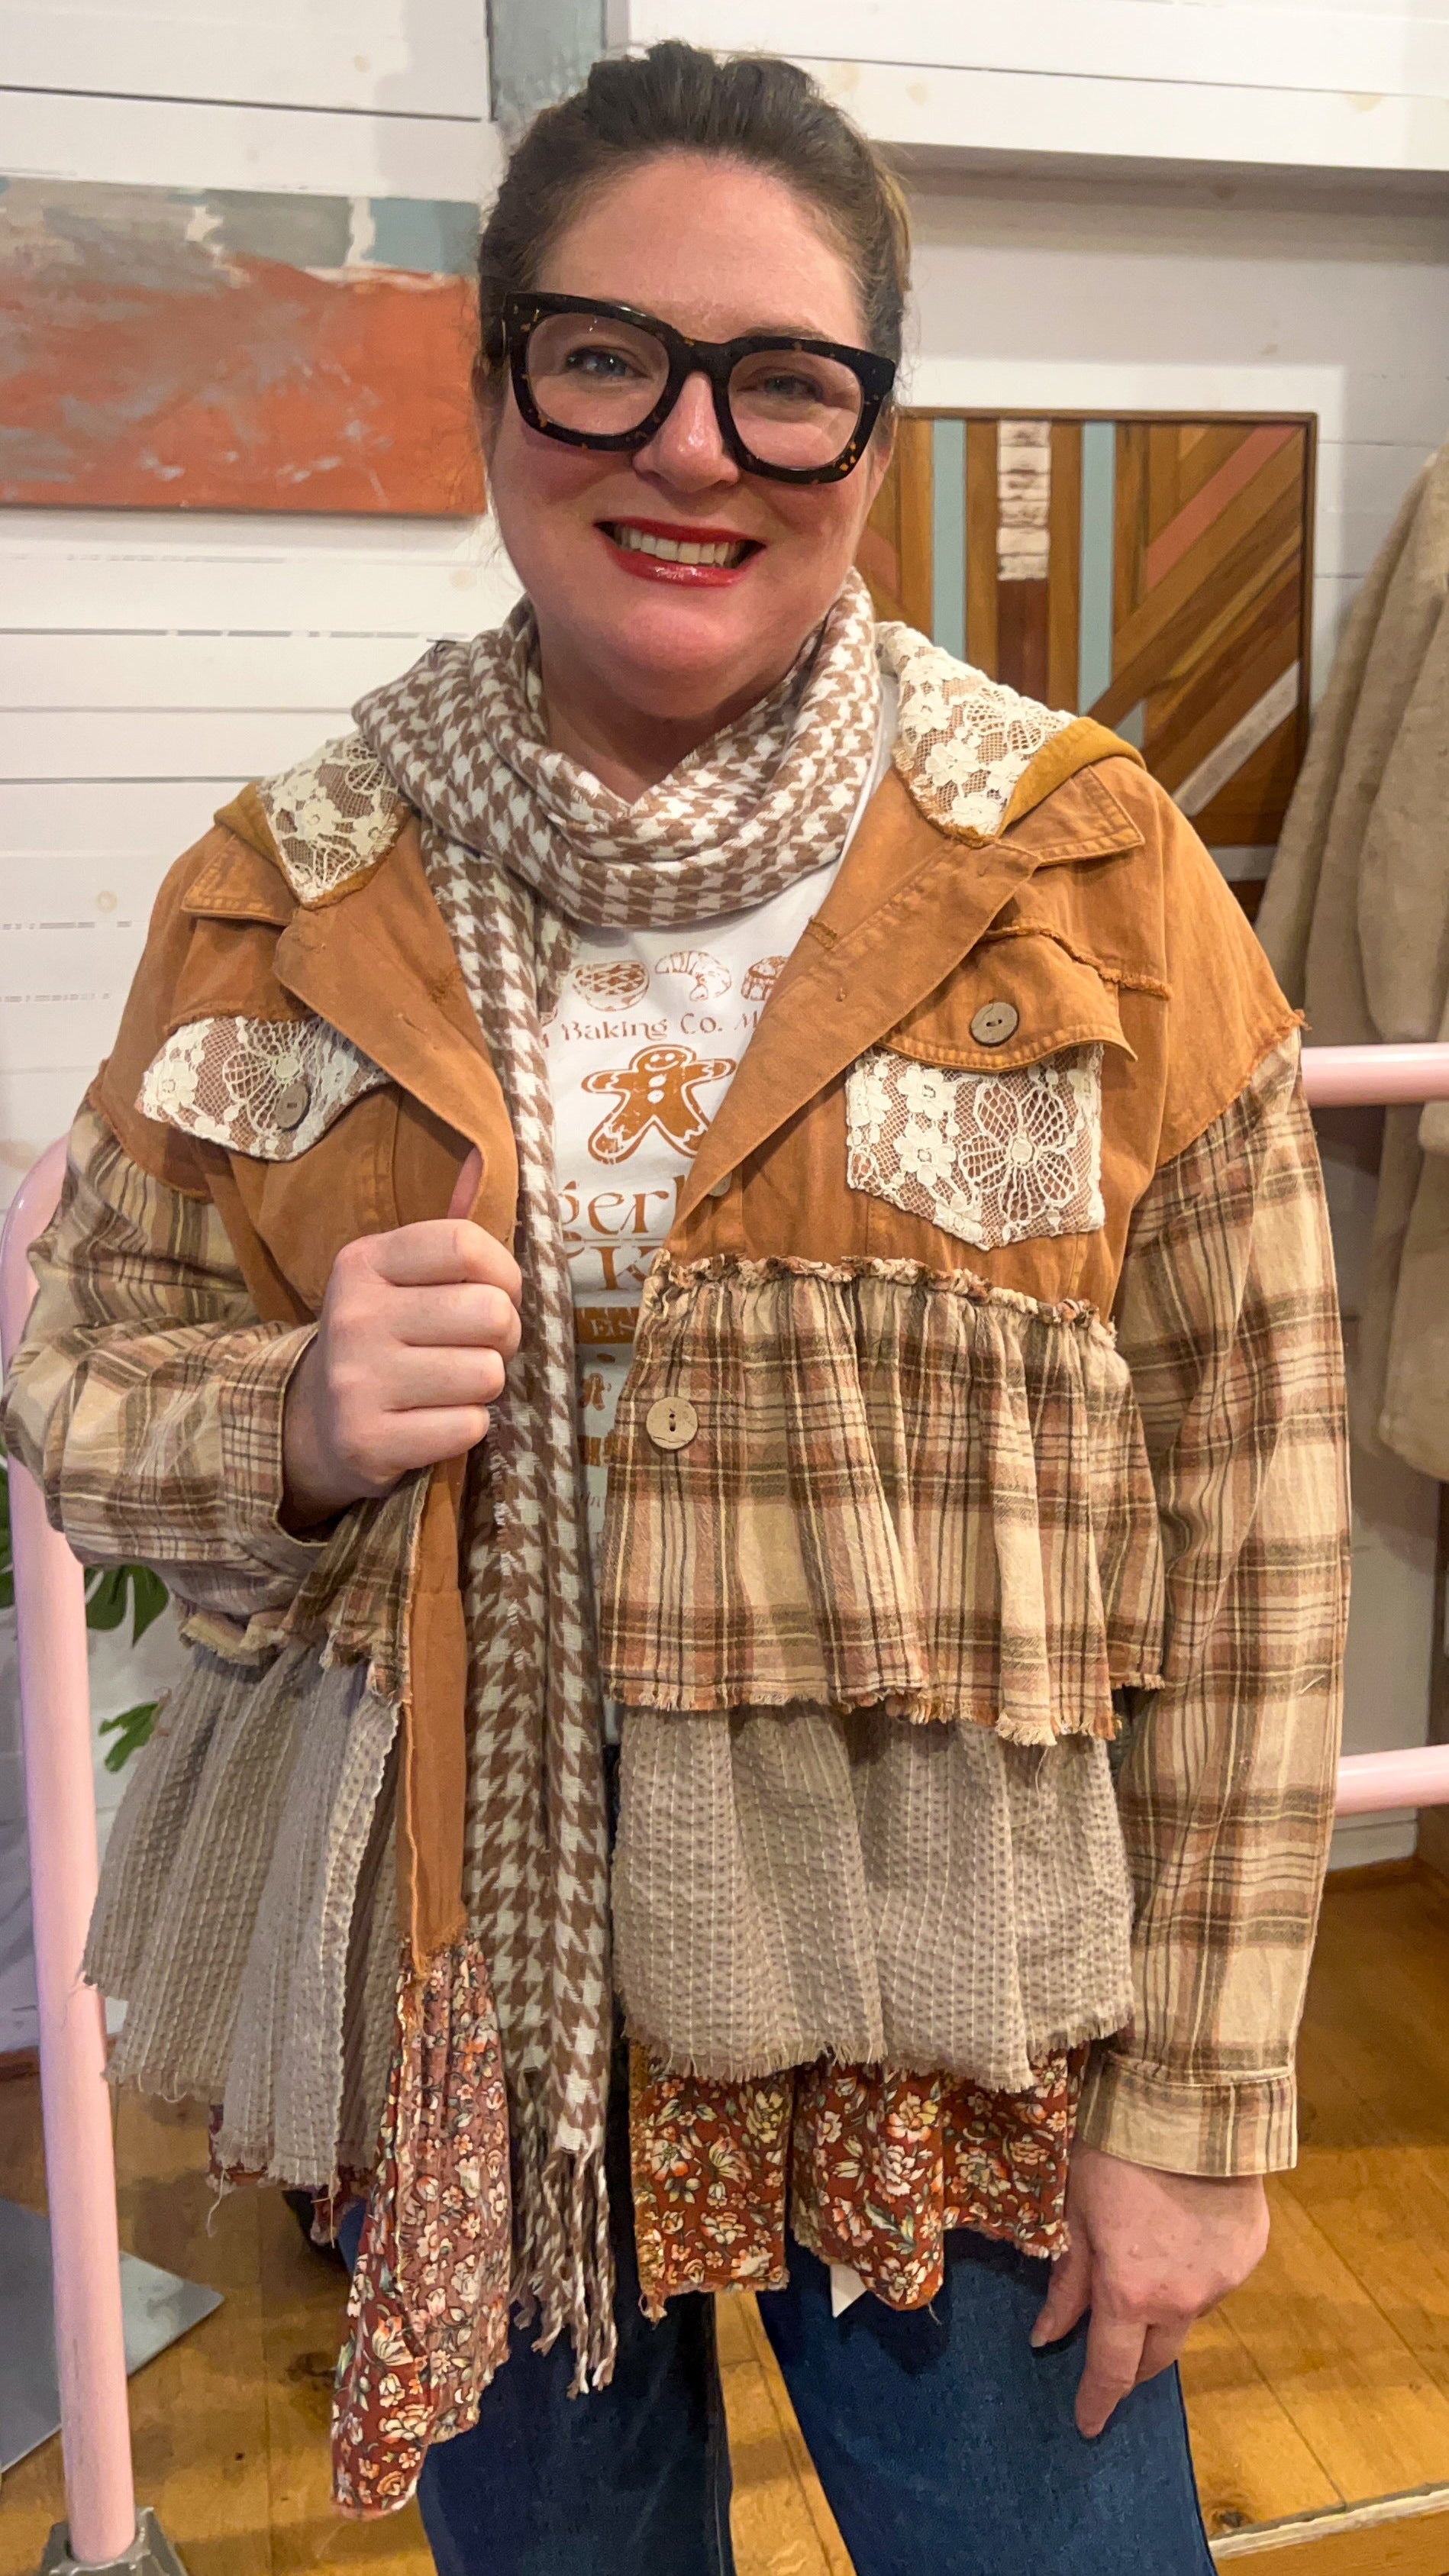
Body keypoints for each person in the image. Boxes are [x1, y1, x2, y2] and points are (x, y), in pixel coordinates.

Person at [2, 42, 1349, 2576]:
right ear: (497, 381)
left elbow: (1257, 1526)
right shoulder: (289, 889)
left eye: (783, 381)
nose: (692, 448)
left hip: (949, 2017)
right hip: (461, 1999)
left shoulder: (1079, 871)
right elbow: (80, 1384)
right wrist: (290, 1419)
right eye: (608, 358)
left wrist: (1198, 2101)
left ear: (870, 430)